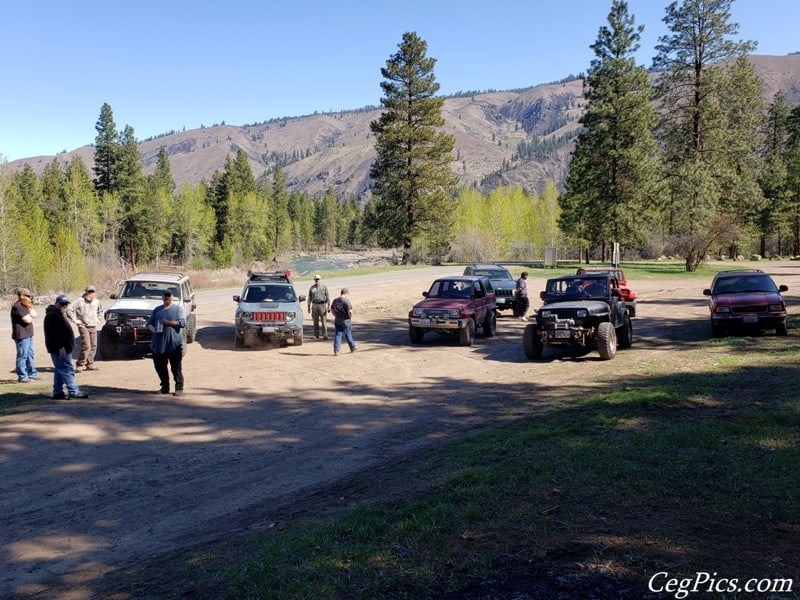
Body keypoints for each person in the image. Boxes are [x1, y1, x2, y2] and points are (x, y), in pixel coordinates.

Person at [43, 295, 88, 399]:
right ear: (56, 303)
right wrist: (61, 347)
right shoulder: (52, 316)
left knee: (60, 369)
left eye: (66, 304)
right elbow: (54, 334)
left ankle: (57, 392)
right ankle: (73, 391)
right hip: (60, 348)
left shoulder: (59, 314)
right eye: (62, 304)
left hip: (63, 347)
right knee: (67, 369)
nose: (64, 306)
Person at [147, 290, 186, 396]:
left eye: (169, 297)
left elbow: (182, 323)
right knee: (160, 367)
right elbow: (149, 323)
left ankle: (179, 388)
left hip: (173, 345)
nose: (166, 299)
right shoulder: (157, 310)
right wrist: (153, 329)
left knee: (176, 368)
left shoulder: (178, 309)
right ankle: (164, 387)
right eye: (165, 297)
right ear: (162, 298)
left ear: (172, 297)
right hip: (158, 345)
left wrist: (168, 323)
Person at [68, 285, 103, 371]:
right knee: (86, 346)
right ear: (86, 292)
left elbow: (101, 311)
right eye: (89, 292)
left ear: (94, 293)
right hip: (83, 326)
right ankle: (80, 364)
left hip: (93, 326)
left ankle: (90, 363)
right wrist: (75, 320)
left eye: (92, 292)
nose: (90, 294)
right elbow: (69, 309)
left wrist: (98, 319)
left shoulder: (97, 302)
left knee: (94, 345)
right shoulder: (80, 301)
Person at [11, 287, 39, 382]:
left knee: (30, 355)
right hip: (22, 335)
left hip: (28, 334)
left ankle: (33, 374)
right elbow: (27, 320)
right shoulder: (18, 306)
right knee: (22, 355)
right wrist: (33, 315)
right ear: (21, 296)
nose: (29, 298)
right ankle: (22, 376)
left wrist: (31, 312)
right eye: (27, 296)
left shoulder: (24, 306)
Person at [330, 288, 356, 356]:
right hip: (345, 320)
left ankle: (336, 350)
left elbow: (332, 309)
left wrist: (335, 315)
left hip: (337, 320)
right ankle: (352, 346)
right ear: (346, 293)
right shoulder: (346, 301)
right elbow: (350, 311)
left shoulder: (335, 300)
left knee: (338, 335)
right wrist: (350, 317)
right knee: (348, 334)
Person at [307, 274, 330, 339]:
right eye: (316, 279)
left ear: (320, 280)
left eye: (318, 279)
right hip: (314, 305)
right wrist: (308, 306)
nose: (317, 280)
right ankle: (316, 335)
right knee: (315, 321)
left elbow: (327, 296)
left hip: (322, 305)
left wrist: (329, 305)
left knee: (323, 321)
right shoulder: (312, 288)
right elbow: (309, 297)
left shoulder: (324, 287)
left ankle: (325, 335)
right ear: (314, 280)